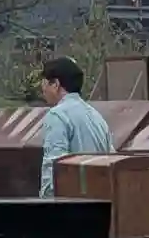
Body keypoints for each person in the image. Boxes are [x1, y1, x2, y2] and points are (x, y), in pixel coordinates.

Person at [39, 55, 114, 196]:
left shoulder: (57, 115)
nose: (43, 89)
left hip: (72, 203)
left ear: (55, 84)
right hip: (101, 201)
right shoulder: (97, 117)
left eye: (44, 83)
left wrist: (47, 203)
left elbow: (54, 169)